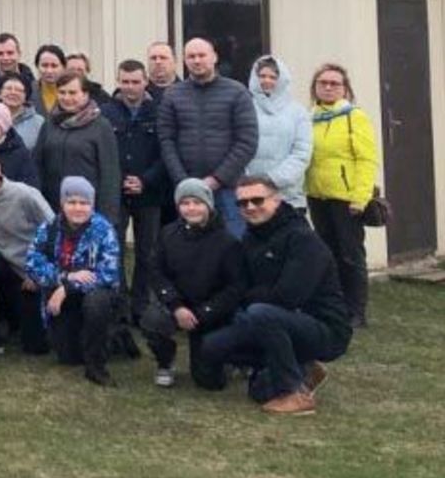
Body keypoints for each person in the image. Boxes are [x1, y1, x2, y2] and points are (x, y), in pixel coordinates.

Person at [202, 175, 352, 415]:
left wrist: (252, 297)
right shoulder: (250, 238)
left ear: (276, 200)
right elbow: (242, 287)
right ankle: (303, 368)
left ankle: (294, 393)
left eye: (257, 200)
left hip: (323, 329)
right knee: (213, 347)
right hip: (275, 320)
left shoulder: (302, 238)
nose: (250, 207)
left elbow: (290, 295)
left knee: (260, 313)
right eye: (243, 203)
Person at [141, 179, 243, 390]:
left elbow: (235, 288)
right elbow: (156, 271)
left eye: (197, 202)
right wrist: (176, 305)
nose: (191, 208)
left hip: (210, 312)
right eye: (185, 203)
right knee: (153, 319)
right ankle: (165, 362)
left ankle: (233, 358)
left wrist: (205, 312)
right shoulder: (168, 234)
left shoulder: (228, 241)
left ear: (208, 205)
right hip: (177, 305)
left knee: (209, 382)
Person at [24, 176, 123, 387]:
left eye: (84, 203)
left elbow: (108, 274)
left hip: (95, 295)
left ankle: (96, 366)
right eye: (72, 202)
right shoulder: (49, 227)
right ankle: (112, 339)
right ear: (62, 204)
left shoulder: (104, 230)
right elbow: (32, 263)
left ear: (92, 205)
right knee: (68, 357)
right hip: (63, 295)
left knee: (96, 304)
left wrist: (67, 288)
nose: (78, 208)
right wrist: (64, 277)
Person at [158, 37, 258, 238]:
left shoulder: (237, 92)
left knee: (234, 245)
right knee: (190, 249)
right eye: (191, 56)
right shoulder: (172, 95)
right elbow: (166, 140)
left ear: (214, 57)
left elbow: (247, 141)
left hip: (228, 189)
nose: (196, 60)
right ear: (184, 61)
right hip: (187, 190)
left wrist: (216, 179)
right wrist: (184, 181)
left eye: (202, 55)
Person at [306, 63, 379, 330]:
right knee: (328, 254)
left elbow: (366, 159)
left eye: (334, 83)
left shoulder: (353, 116)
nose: (327, 87)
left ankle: (357, 311)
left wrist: (360, 197)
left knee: (350, 255)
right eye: (322, 83)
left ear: (345, 88)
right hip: (317, 196)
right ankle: (335, 307)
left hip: (346, 199)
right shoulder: (310, 116)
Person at [0, 148, 53, 357]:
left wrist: (36, 272)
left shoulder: (25, 194)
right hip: (6, 265)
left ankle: (22, 322)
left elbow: (53, 233)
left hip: (35, 268)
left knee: (35, 347)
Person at [103, 60, 166, 322]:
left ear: (145, 82)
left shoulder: (160, 112)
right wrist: (117, 179)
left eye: (135, 82)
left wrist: (146, 180)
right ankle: (119, 307)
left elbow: (167, 152)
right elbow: (103, 153)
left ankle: (141, 305)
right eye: (125, 82)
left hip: (149, 192)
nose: (130, 87)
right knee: (114, 249)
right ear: (118, 82)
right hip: (116, 192)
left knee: (147, 252)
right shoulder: (106, 112)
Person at [34, 73, 122, 228]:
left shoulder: (101, 126)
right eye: (62, 92)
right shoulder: (49, 124)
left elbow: (110, 175)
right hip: (52, 209)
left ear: (85, 94)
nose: (66, 97)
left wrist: (107, 217)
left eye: (72, 93)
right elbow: (37, 166)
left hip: (87, 211)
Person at [246, 55, 313, 218]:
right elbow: (237, 146)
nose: (267, 81)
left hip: (287, 197)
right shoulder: (244, 108)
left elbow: (301, 154)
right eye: (262, 76)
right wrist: (249, 182)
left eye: (272, 77)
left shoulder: (298, 112)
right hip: (250, 197)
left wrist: (272, 179)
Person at [0, 33, 33, 104]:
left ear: (19, 54)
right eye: (0, 54)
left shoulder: (35, 87)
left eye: (10, 53)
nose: (5, 58)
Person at [0, 74, 44, 150]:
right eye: (8, 88)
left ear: (26, 97)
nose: (13, 93)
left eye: (19, 90)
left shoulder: (38, 122)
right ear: (0, 94)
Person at [33, 45, 66, 116]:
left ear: (63, 67)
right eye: (44, 65)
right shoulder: (28, 91)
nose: (49, 71)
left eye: (54, 66)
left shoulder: (71, 93)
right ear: (37, 66)